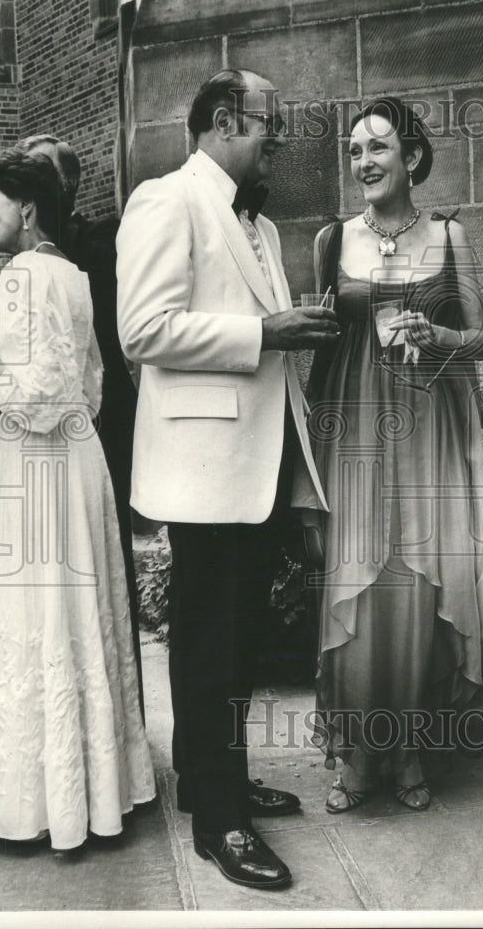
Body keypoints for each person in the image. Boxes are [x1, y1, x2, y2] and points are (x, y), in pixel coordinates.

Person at [115, 69, 339, 890]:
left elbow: (255, 341)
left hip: (262, 460)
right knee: (210, 641)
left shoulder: (265, 229)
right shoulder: (163, 200)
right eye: (266, 125)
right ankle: (219, 823)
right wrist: (264, 329)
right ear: (220, 122)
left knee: (237, 636)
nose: (276, 139)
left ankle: (216, 778)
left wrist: (291, 335)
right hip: (203, 469)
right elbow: (143, 329)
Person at [306, 97, 483, 814]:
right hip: (354, 429)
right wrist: (310, 464)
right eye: (355, 151)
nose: (364, 162)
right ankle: (357, 755)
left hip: (427, 426)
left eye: (378, 148)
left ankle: (410, 746)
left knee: (417, 584)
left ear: (411, 158)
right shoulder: (333, 240)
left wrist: (435, 334)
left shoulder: (449, 235)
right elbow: (320, 353)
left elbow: (481, 337)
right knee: (356, 578)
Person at [0, 148, 155, 853]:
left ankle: (44, 805)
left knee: (43, 613)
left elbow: (40, 395)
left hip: (40, 464)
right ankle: (100, 787)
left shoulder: (21, 276)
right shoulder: (74, 277)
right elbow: (92, 381)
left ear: (27, 208)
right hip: (78, 461)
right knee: (79, 616)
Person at [16, 134, 144, 716]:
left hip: (104, 424)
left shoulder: (101, 242)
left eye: (42, 174)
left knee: (104, 565)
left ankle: (119, 713)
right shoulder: (21, 255)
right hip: (42, 433)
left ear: (68, 187)